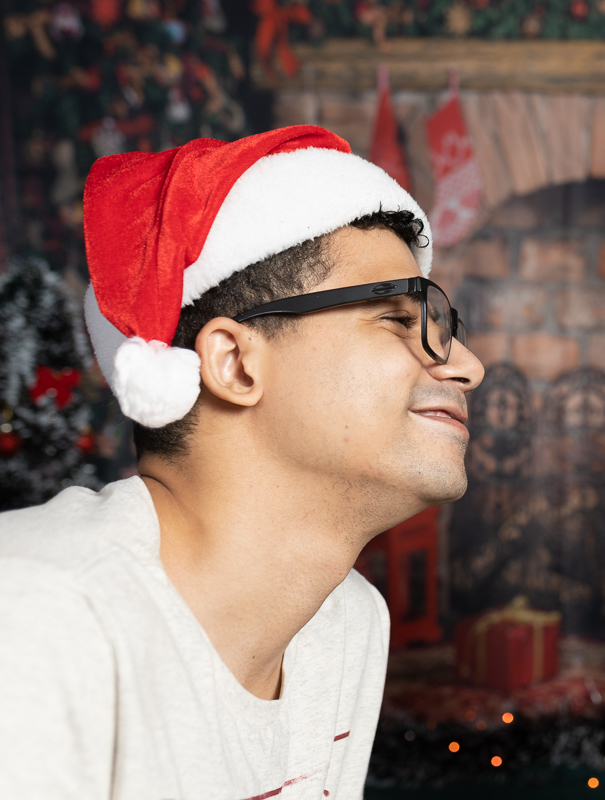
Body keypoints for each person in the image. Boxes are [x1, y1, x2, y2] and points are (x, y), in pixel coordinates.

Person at [0, 126, 484, 798]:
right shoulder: (36, 617)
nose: (468, 367)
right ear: (233, 363)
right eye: (400, 319)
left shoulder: (347, 626)